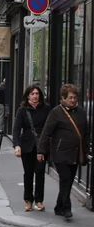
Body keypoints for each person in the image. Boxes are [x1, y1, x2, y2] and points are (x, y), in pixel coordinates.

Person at [38, 84, 89, 219]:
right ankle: (67, 208)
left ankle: (58, 206)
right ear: (63, 98)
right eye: (71, 98)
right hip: (60, 153)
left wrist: (87, 151)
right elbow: (46, 132)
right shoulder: (56, 112)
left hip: (76, 153)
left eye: (75, 97)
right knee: (66, 179)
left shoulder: (81, 112)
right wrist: (41, 150)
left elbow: (85, 134)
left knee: (68, 181)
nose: (73, 100)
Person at [12, 84, 51, 212]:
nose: (35, 96)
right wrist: (17, 145)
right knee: (28, 173)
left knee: (40, 172)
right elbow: (17, 129)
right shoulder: (22, 110)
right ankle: (28, 200)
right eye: (32, 94)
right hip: (27, 145)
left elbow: (49, 128)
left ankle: (39, 201)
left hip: (41, 145)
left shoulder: (46, 109)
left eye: (37, 94)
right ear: (28, 95)